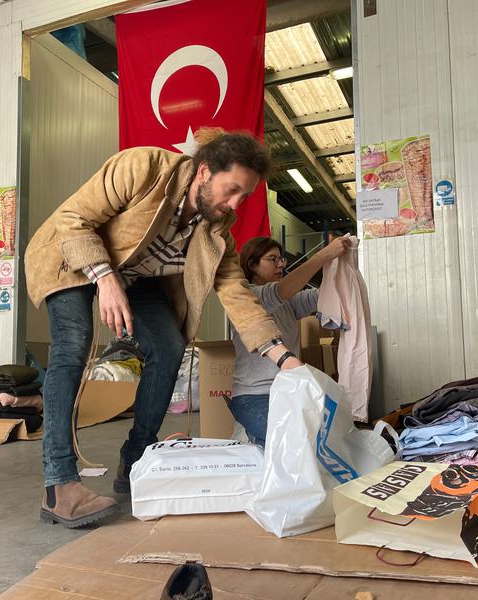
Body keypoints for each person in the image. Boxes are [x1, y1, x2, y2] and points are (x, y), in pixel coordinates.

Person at [24, 129, 303, 528]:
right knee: (73, 343)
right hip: (71, 256)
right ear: (204, 171)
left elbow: (238, 295)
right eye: (231, 190)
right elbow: (73, 219)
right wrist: (104, 279)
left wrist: (284, 358)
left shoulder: (216, 229)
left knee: (170, 346)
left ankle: (136, 456)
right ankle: (59, 484)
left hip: (134, 276)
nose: (235, 204)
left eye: (244, 196)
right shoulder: (143, 167)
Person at [229, 235, 350, 446]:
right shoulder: (247, 296)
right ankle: (250, 439)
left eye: (281, 258)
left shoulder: (287, 303)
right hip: (255, 396)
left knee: (322, 439)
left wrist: (337, 264)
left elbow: (322, 295)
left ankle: (254, 438)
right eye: (272, 259)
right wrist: (324, 255)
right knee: (291, 442)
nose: (281, 264)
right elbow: (279, 291)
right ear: (253, 265)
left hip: (288, 391)